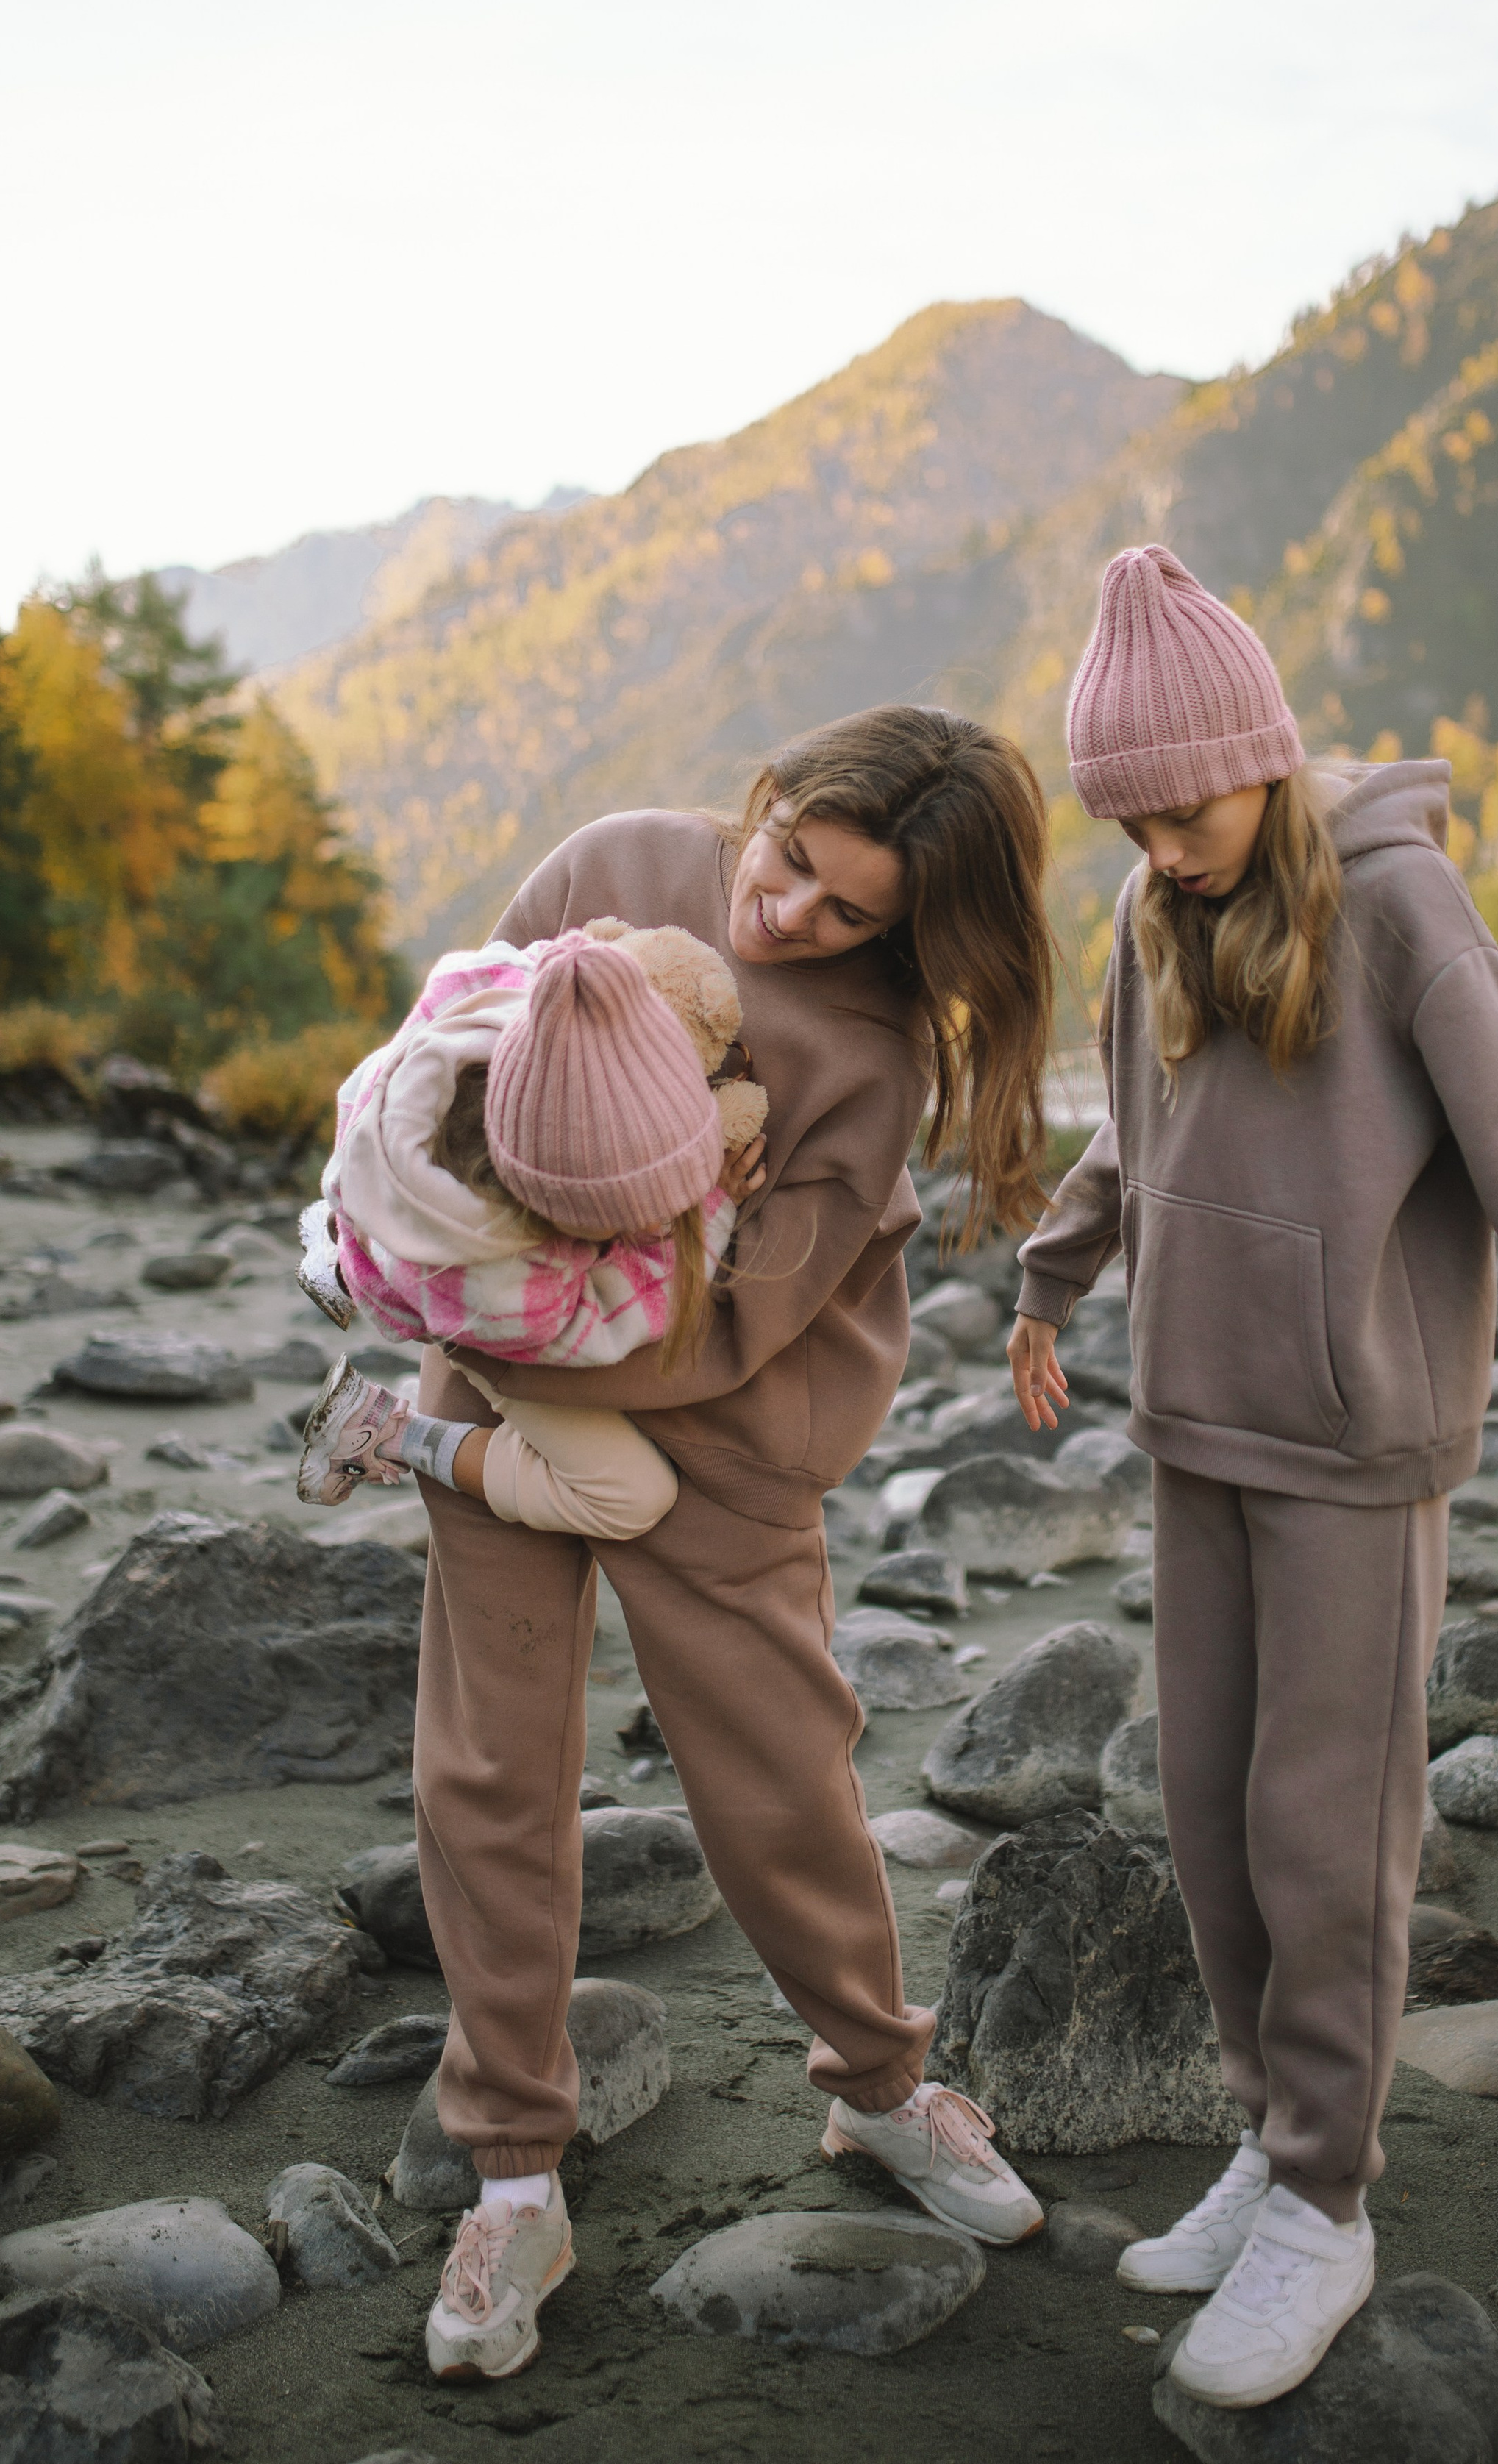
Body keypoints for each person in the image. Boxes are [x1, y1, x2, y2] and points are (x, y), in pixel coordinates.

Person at [1007, 545, 1498, 2414]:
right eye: (1125, 818)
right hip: (1198, 1428)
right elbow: (1130, 1115)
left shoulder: (1403, 907)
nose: (1159, 845)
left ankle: (1328, 2202)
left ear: (1255, 753)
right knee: (1202, 1810)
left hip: (1354, 1450)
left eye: (1177, 806)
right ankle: (1267, 2135)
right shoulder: (1146, 909)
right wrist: (1051, 1266)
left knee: (1323, 1830)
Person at [410, 705, 1059, 2383]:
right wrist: (439, 1292)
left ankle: (874, 2084)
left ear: (908, 929)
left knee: (781, 1764)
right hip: (492, 1380)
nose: (784, 917)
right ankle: (515, 2170)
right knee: (491, 1764)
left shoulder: (873, 1052)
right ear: (763, 802)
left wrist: (526, 1316)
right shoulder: (616, 864)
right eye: (785, 865)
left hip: (722, 1430)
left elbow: (748, 1319)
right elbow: (439, 1076)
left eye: (845, 913)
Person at [293, 926, 761, 1540]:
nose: (653, 1223)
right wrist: (712, 1208)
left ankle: (337, 1239)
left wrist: (594, 973)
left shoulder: (508, 1000)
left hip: (379, 1180)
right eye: (622, 1220)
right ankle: (381, 1428)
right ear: (548, 1213)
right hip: (457, 1303)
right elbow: (614, 1320)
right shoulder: (507, 1293)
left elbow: (553, 961)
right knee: (631, 1496)